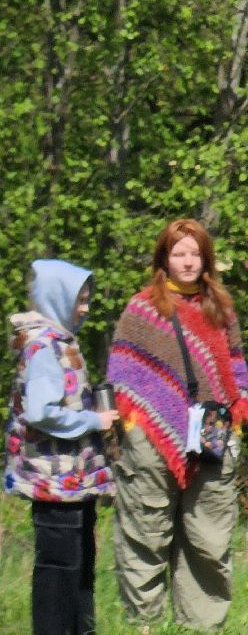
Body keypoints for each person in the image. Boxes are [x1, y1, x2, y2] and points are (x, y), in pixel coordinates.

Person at [107, 218, 248, 631]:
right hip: (151, 437)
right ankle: (146, 626)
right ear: (164, 259)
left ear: (205, 258)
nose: (187, 261)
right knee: (146, 534)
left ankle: (201, 627)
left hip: (213, 433)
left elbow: (236, 366)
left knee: (208, 539)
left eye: (194, 253)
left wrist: (240, 405)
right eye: (178, 253)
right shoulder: (142, 309)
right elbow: (124, 373)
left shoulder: (221, 308)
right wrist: (135, 425)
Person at [3, 258, 117, 635]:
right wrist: (93, 421)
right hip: (54, 483)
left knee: (79, 571)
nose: (85, 308)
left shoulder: (59, 341)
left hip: (70, 482)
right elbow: (41, 412)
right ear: (56, 299)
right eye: (78, 300)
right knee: (59, 576)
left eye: (87, 299)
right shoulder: (43, 348)